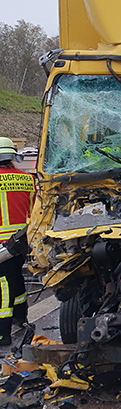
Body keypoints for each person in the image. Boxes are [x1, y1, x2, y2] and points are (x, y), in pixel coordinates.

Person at [0, 138, 34, 346]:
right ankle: (20, 318)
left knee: (3, 285)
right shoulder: (28, 179)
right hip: (21, 241)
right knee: (16, 279)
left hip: (1, 243)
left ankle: (2, 334)